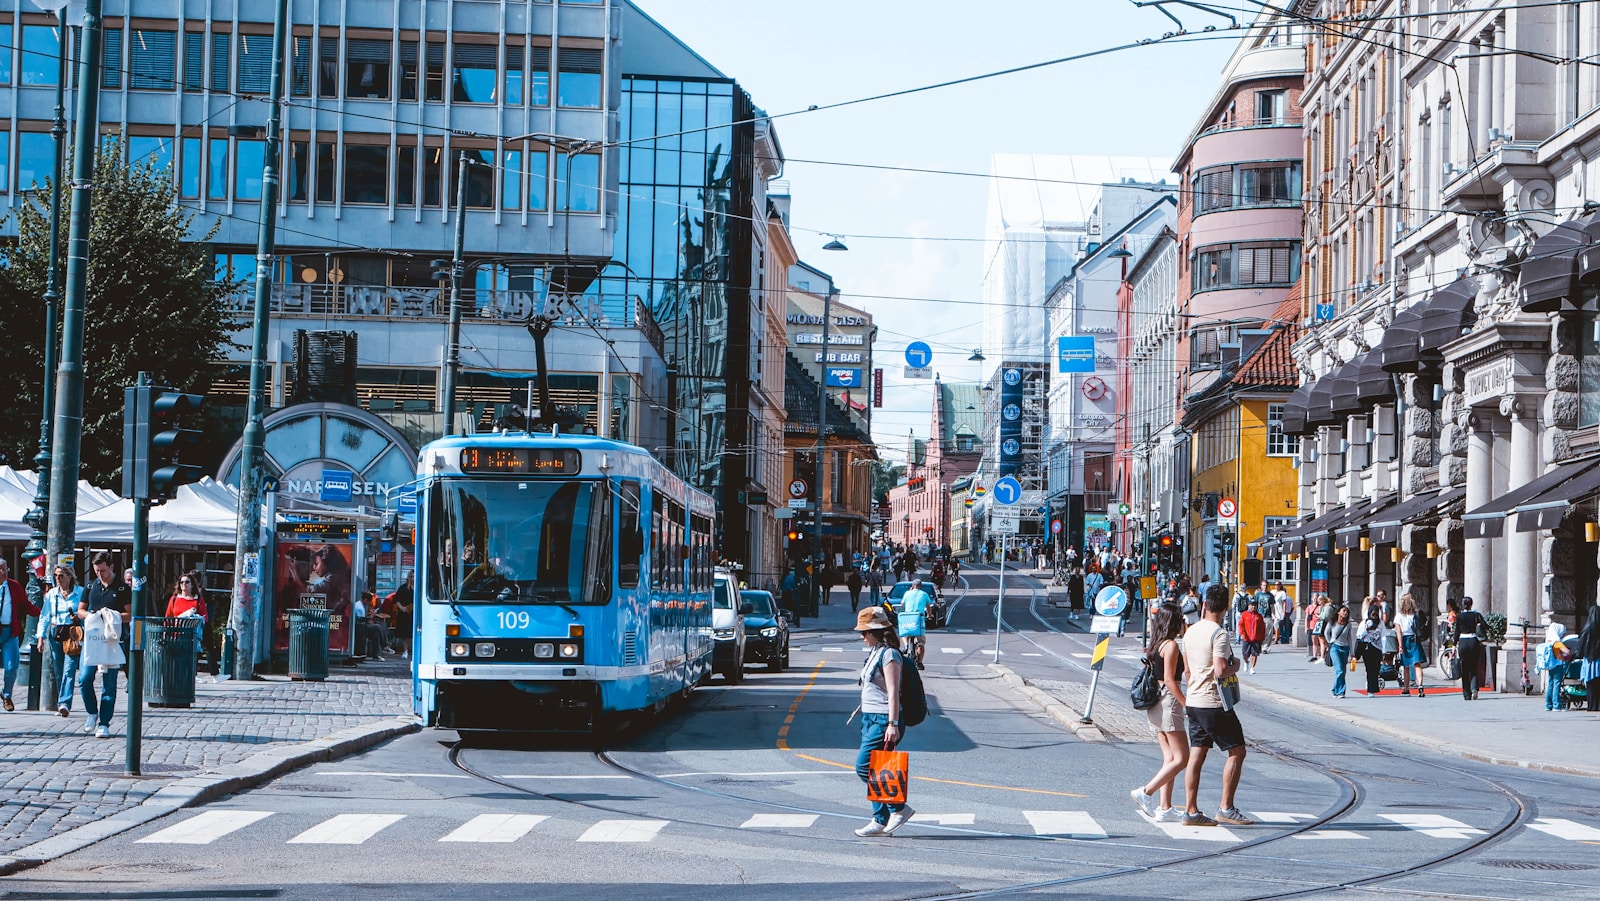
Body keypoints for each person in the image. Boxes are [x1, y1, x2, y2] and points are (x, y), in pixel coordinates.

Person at [1181, 585, 1252, 827]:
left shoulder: (1189, 633)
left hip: (1193, 701)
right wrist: (1236, 665)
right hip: (1213, 703)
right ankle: (1226, 808)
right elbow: (1221, 670)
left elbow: (1187, 671)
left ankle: (1190, 811)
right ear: (1225, 609)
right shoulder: (1219, 634)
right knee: (1237, 751)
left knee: (1196, 755)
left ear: (1204, 605)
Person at [851, 606, 913, 836]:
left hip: (883, 719)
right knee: (876, 768)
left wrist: (892, 724)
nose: (862, 636)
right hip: (869, 718)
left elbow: (893, 691)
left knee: (864, 766)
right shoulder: (876, 651)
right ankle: (879, 819)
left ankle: (898, 808)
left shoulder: (890, 654)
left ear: (876, 632)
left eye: (865, 632)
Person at [1132, 603, 1189, 823]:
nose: (1184, 622)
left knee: (1170, 758)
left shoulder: (1156, 644)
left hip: (1155, 703)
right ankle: (1146, 792)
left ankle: (1165, 808)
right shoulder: (1172, 646)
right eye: (1181, 619)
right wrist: (1186, 704)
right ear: (1174, 622)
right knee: (1182, 758)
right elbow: (1169, 680)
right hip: (1169, 702)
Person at [78, 553, 129, 738]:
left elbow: (129, 614)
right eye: (97, 571)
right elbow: (80, 610)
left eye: (103, 571)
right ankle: (92, 712)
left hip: (112, 640)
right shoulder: (91, 585)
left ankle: (104, 722)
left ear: (111, 567)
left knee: (109, 683)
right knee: (84, 678)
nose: (100, 574)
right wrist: (92, 615)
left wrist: (111, 616)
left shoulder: (122, 588)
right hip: (92, 640)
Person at [36, 565, 84, 717]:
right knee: (58, 669)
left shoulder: (80, 592)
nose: (58, 579)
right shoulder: (52, 594)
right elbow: (45, 616)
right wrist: (40, 637)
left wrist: (78, 616)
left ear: (69, 577)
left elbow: (86, 612)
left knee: (69, 669)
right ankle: (61, 701)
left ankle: (64, 703)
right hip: (56, 632)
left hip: (71, 633)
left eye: (61, 576)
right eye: (56, 575)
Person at [0, 559, 39, 712]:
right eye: (1, 569)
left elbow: (25, 605)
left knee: (11, 666)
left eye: (5, 569)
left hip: (9, 631)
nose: (4, 572)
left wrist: (41, 613)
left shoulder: (14, 586)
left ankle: (7, 695)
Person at [164, 571, 210, 676]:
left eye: (187, 582)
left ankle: (191, 676)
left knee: (190, 659)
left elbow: (205, 617)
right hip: (177, 634)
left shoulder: (198, 599)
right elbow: (168, 616)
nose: (184, 584)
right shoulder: (174, 599)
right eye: (181, 582)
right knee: (177, 660)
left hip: (192, 635)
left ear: (192, 584)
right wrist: (167, 631)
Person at [1455, 596, 1488, 701]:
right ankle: (1475, 689)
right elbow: (1486, 626)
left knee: (1464, 668)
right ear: (1471, 604)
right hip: (1473, 641)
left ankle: (1466, 694)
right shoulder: (1476, 615)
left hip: (1463, 642)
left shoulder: (1460, 616)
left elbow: (1456, 632)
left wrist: (1454, 645)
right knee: (1474, 667)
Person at [1394, 593, 1426, 697]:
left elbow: (1399, 632)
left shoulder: (1399, 616)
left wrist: (1400, 646)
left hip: (1405, 640)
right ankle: (1420, 685)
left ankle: (1406, 688)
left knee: (1406, 666)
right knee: (1417, 665)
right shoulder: (1415, 614)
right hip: (1415, 639)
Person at [1355, 603, 1388, 697]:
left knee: (1376, 669)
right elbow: (1359, 635)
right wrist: (1367, 629)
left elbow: (1383, 637)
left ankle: (1374, 687)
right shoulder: (1364, 622)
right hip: (1367, 648)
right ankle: (1370, 690)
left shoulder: (1380, 623)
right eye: (1373, 614)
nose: (1374, 615)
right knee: (1369, 669)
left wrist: (1384, 650)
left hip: (1377, 649)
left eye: (1376, 614)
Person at [899, 580, 932, 669]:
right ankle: (920, 663)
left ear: (913, 586)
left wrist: (909, 592)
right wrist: (929, 615)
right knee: (921, 642)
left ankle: (906, 645)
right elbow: (928, 606)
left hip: (908, 617)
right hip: (919, 618)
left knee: (904, 631)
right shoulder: (924, 594)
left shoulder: (907, 593)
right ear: (920, 586)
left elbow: (902, 603)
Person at [1538, 623, 1570, 711]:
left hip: (1550, 665)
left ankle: (1548, 705)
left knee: (1550, 684)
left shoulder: (1548, 640)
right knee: (1557, 684)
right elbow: (1567, 651)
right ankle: (1556, 705)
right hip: (1558, 665)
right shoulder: (1557, 642)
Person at [1326, 604, 1355, 698]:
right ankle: (1340, 692)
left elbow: (1349, 638)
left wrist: (1352, 652)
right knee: (1339, 670)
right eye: (1344, 611)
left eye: (1347, 611)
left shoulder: (1348, 624)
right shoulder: (1332, 623)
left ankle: (1335, 689)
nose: (1345, 613)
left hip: (1345, 648)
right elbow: (1326, 633)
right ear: (1338, 612)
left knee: (1343, 671)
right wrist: (1330, 642)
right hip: (1335, 648)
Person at [1576, 606, 1600, 711]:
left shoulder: (1587, 628)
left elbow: (1581, 643)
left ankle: (1592, 705)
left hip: (1590, 660)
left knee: (1590, 683)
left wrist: (1579, 654)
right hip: (1598, 659)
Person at [1237, 600, 1266, 675]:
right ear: (1248, 606)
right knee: (1245, 654)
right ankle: (1246, 661)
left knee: (1255, 654)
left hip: (1256, 638)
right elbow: (1240, 625)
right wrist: (1242, 634)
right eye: (1251, 605)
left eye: (1254, 605)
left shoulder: (1259, 616)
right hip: (1246, 638)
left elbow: (1262, 628)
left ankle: (1252, 668)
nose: (1253, 607)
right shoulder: (1244, 615)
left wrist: (1262, 638)